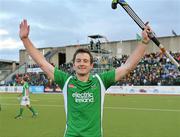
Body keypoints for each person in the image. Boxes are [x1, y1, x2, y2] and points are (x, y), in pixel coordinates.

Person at [19, 19, 151, 136]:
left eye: (85, 61)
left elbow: (127, 66)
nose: (82, 63)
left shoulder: (101, 81)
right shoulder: (66, 81)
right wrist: (25, 39)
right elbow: (42, 63)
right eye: (79, 60)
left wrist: (144, 42)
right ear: (74, 64)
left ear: (91, 65)